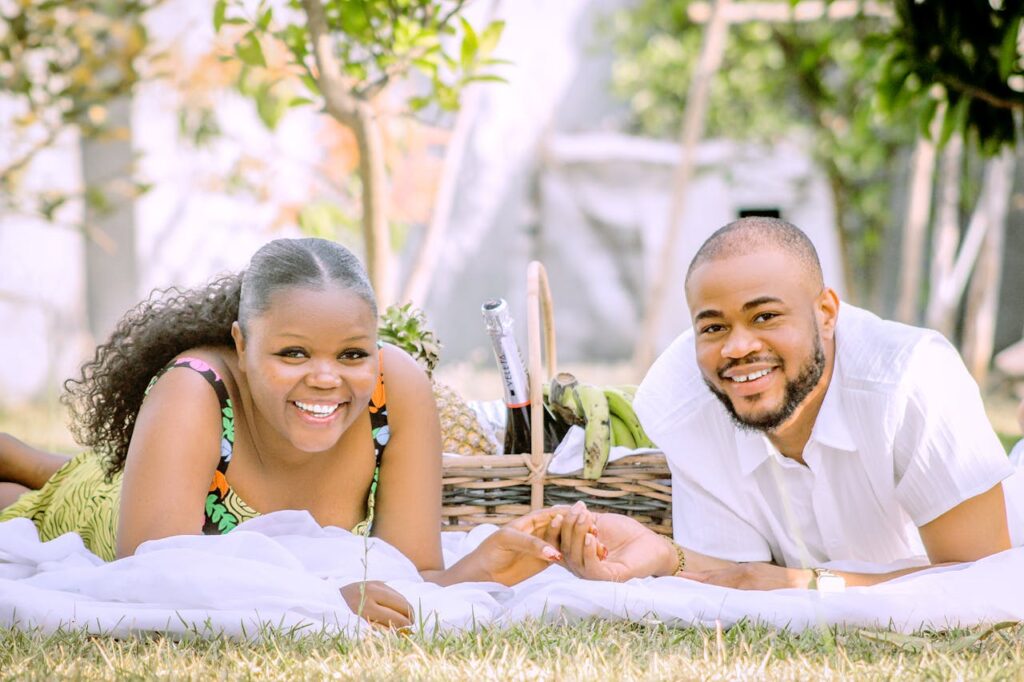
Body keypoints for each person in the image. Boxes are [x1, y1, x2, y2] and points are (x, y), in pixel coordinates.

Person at [0, 237, 566, 626]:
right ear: (241, 346)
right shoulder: (194, 390)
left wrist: (478, 567)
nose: (326, 377)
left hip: (162, 472)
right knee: (32, 505)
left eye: (352, 353)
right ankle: (28, 466)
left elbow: (413, 573)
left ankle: (37, 464)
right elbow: (153, 575)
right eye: (292, 352)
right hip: (103, 507)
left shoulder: (398, 389)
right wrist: (318, 602)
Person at [549, 216, 1021, 589]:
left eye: (766, 316)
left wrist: (811, 585)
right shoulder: (679, 405)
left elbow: (981, 579)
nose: (737, 348)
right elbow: (741, 575)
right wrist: (662, 555)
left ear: (827, 313)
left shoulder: (910, 380)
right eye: (713, 327)